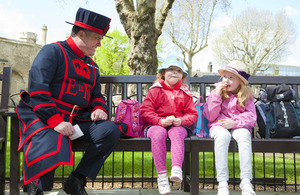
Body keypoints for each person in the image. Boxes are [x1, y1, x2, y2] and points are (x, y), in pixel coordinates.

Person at [15, 8, 121, 195]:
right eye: (97, 38)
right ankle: (36, 187)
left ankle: (76, 180)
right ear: (81, 34)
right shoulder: (52, 51)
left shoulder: (92, 66)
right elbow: (38, 90)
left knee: (109, 130)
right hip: (45, 117)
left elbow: (96, 95)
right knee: (54, 139)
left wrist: (98, 107)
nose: (99, 44)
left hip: (76, 120)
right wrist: (56, 121)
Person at [140, 55, 198, 195]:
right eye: (171, 69)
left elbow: (192, 114)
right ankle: (162, 177)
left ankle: (177, 168)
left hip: (177, 125)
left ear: (182, 76)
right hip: (156, 124)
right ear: (163, 73)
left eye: (178, 71)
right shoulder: (155, 90)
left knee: (177, 132)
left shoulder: (185, 93)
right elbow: (145, 111)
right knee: (158, 133)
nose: (174, 72)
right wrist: (159, 121)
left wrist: (182, 121)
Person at [203, 61, 257, 195]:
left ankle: (246, 181)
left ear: (240, 81)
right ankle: (222, 182)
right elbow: (210, 115)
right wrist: (215, 95)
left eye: (231, 77)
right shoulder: (217, 92)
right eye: (225, 77)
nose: (226, 80)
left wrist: (234, 122)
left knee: (244, 135)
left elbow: (251, 117)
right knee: (223, 136)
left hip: (239, 125)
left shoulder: (247, 95)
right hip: (218, 125)